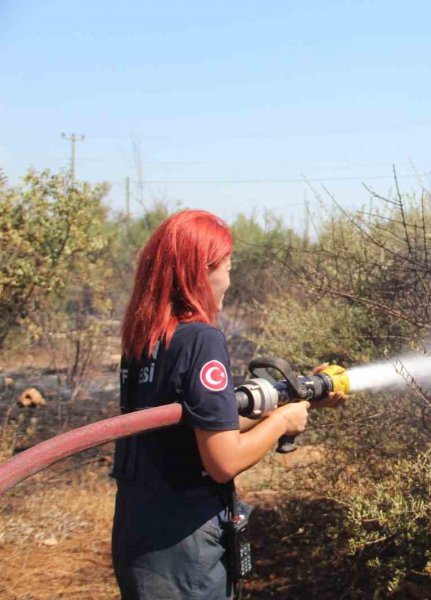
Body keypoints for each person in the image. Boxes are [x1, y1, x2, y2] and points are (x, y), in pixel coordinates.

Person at [111, 210, 345, 599]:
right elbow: (223, 460)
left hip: (139, 537)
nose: (230, 281)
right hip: (184, 548)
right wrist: (282, 423)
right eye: (227, 268)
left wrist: (296, 401)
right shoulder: (202, 339)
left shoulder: (143, 339)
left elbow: (203, 424)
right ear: (201, 271)